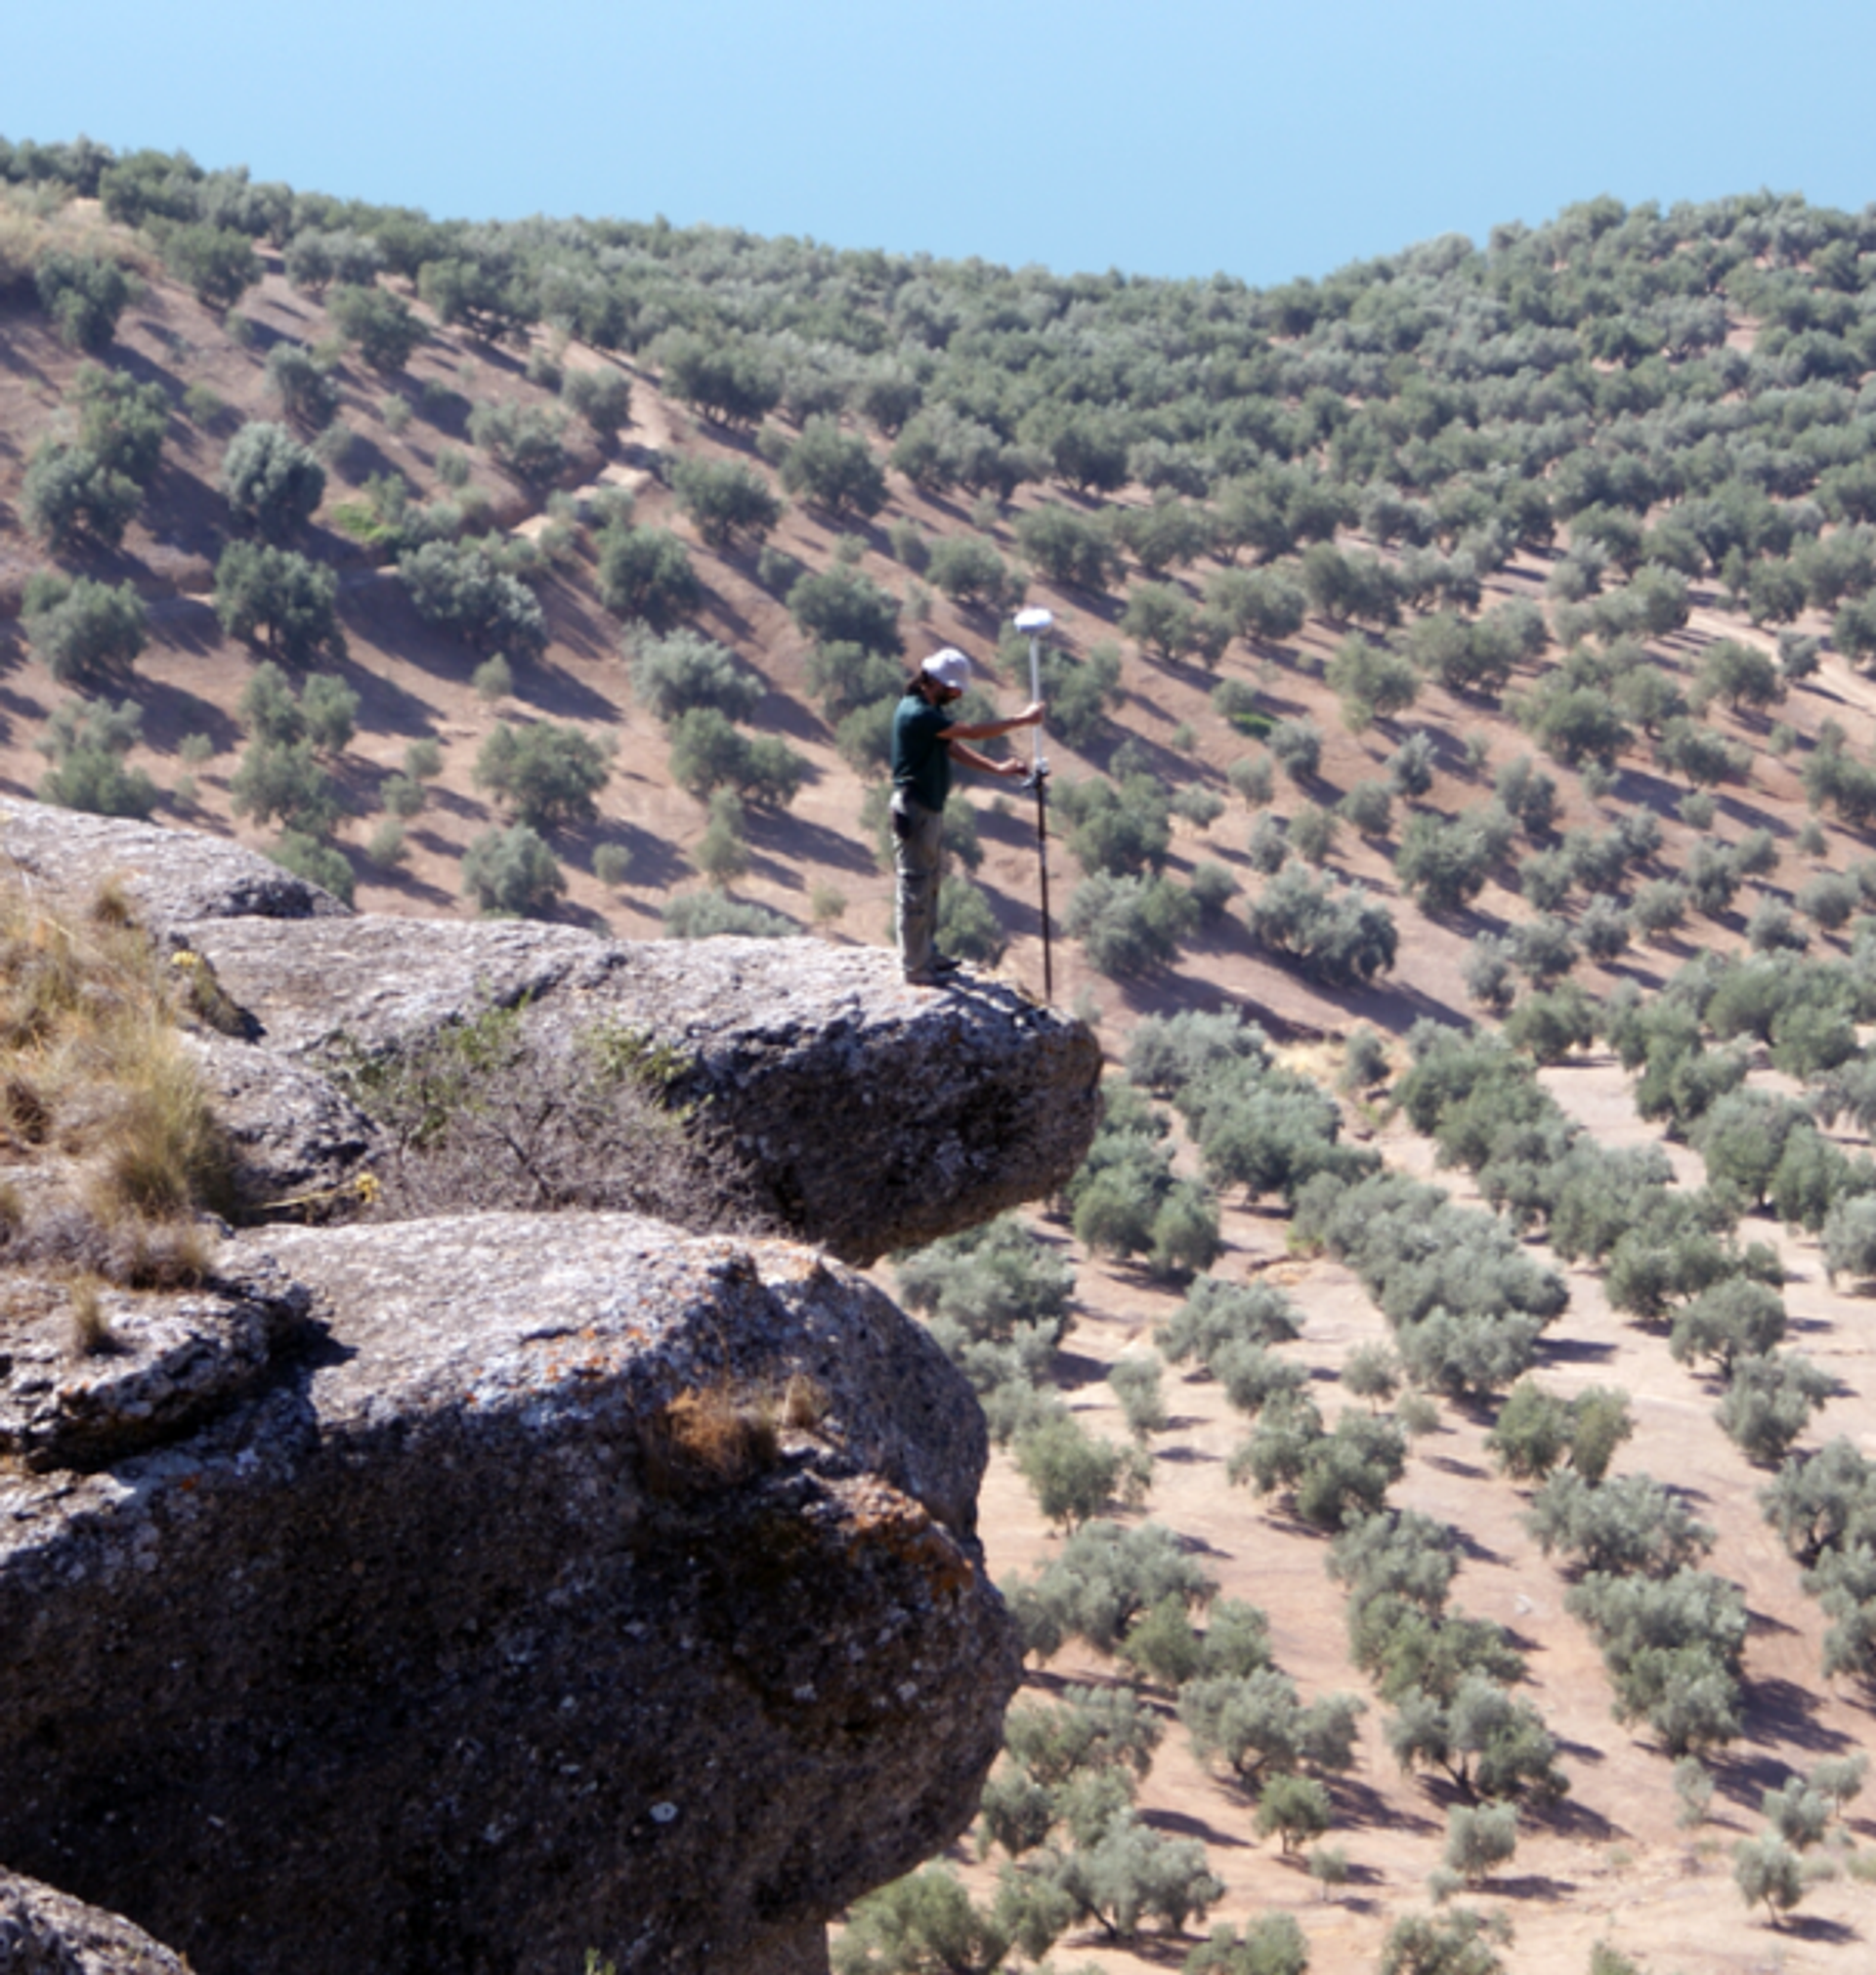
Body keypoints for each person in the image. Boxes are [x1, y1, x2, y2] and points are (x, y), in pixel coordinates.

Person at [890, 646, 1044, 985]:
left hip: (926, 809)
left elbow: (954, 746)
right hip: (916, 810)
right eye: (955, 688)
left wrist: (997, 769)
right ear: (939, 683)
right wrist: (1022, 720)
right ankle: (915, 967)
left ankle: (925, 954)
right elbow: (971, 732)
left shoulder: (926, 711)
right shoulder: (918, 713)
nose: (958, 695)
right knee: (915, 884)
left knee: (928, 884)